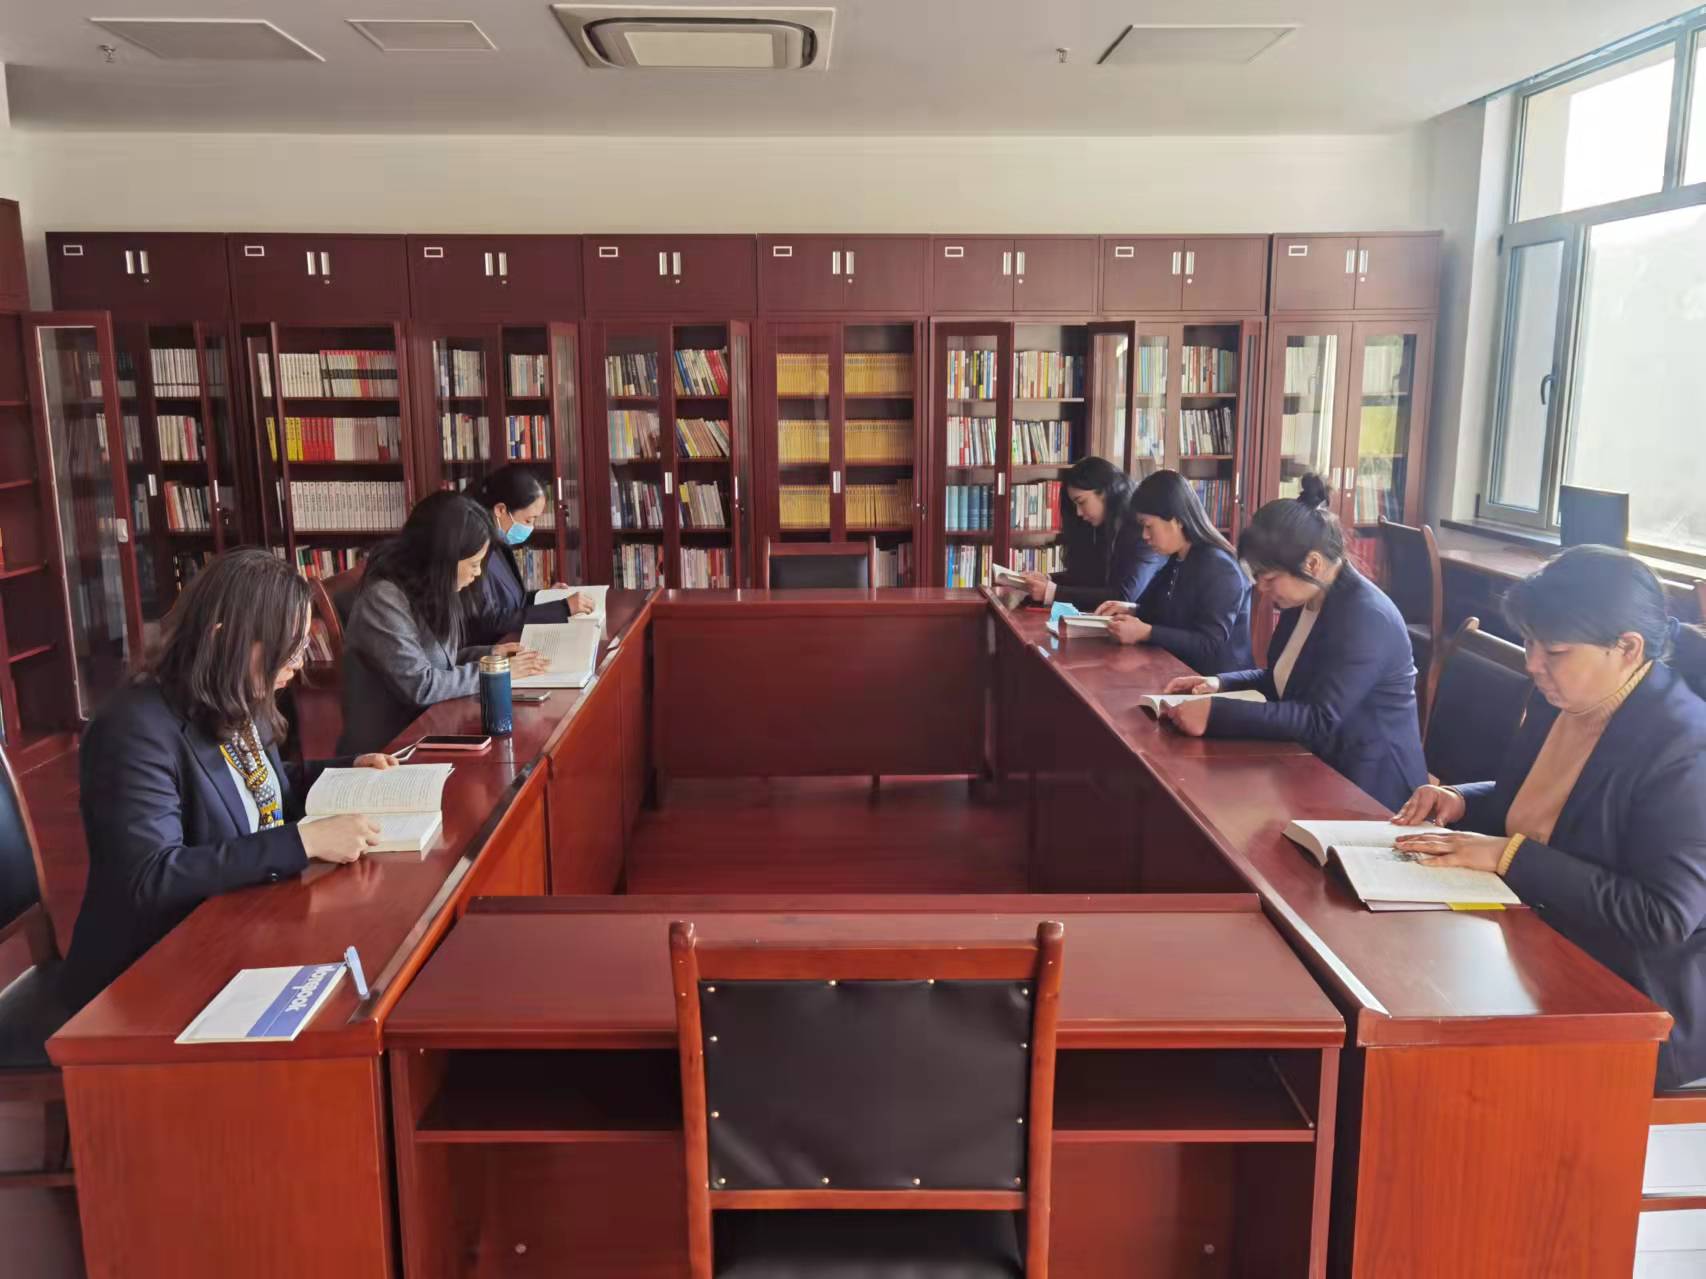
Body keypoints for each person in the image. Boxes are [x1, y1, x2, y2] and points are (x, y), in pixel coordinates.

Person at [1393, 547, 1706, 1089]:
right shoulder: (1561, 698)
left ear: (1627, 648)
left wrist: (1508, 855)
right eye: (1529, 643)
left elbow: (1661, 915)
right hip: (1539, 941)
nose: (1533, 664)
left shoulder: (1685, 748)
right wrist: (1463, 800)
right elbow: (1551, 801)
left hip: (1633, 998)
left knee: (1439, 1061)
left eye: (1554, 651)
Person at [61, 549, 398, 1010]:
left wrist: (349, 769)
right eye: (286, 648)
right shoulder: (133, 730)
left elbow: (261, 787)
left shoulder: (234, 690)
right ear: (224, 640)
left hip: (241, 920)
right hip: (152, 974)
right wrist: (304, 841)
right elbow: (150, 877)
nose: (296, 663)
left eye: (301, 645)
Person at [1158, 474, 1426, 810]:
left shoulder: (1367, 617)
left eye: (1269, 578)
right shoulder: (1304, 596)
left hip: (1371, 786)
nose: (1261, 589)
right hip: (1316, 762)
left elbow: (1317, 718)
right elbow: (1280, 679)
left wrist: (1216, 713)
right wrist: (1218, 684)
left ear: (1312, 563)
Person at [339, 491, 549, 756]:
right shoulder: (383, 599)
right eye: (474, 564)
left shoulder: (430, 587)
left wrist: (491, 655)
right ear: (441, 558)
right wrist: (496, 673)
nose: (478, 573)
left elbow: (438, 662)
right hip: (392, 750)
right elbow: (421, 685)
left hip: (432, 726)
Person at [1094, 469, 1252, 672]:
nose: (1144, 536)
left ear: (1177, 520)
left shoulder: (1220, 568)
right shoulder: (1177, 558)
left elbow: (1210, 644)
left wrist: (1146, 632)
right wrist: (1131, 610)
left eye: (1149, 526)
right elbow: (1167, 613)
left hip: (1213, 681)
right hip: (1175, 669)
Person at [463, 464, 595, 646]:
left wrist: (545, 597)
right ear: (501, 510)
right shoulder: (475, 553)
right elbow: (490, 620)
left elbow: (516, 601)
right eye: (528, 520)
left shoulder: (500, 543)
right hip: (494, 650)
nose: (531, 528)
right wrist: (563, 609)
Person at [1014, 455, 1163, 610]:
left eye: (1082, 502)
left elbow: (1122, 597)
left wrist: (1051, 592)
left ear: (1104, 492)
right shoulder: (1103, 525)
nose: (1078, 512)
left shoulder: (1141, 530)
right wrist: (1047, 580)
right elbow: (1089, 578)